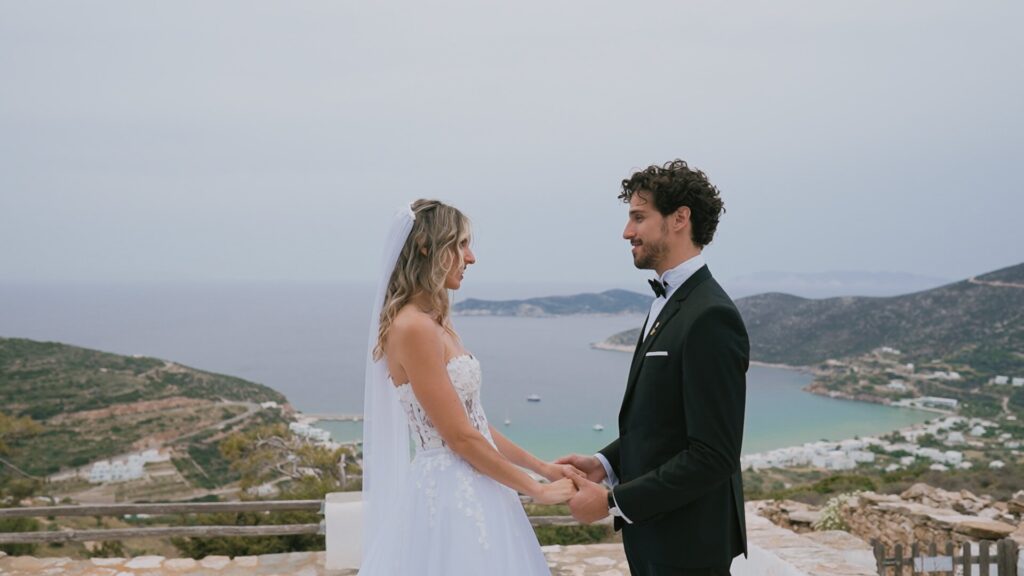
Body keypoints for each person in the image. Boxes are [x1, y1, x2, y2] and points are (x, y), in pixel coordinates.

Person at [358, 199, 577, 575]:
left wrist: (541, 467)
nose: (470, 257)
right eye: (460, 244)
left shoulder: (437, 324)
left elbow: (475, 425)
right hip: (450, 496)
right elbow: (459, 437)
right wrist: (535, 489)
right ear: (427, 247)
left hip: (479, 484)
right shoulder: (414, 328)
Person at [559, 160, 749, 576]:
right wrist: (605, 463)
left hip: (689, 545)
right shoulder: (669, 302)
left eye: (639, 217)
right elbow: (664, 424)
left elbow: (713, 455)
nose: (628, 232)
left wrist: (612, 501)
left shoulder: (710, 316)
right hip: (657, 540)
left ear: (680, 219)